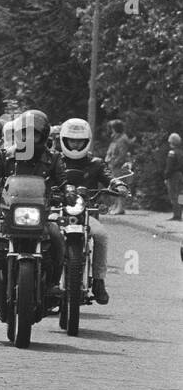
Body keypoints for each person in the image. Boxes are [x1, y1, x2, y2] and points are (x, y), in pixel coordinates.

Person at [0, 109, 65, 310]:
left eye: (34, 134)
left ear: (43, 136)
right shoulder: (4, 155)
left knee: (57, 237)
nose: (29, 138)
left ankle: (52, 285)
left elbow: (63, 180)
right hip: (8, 216)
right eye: (25, 133)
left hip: (41, 217)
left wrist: (68, 191)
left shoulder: (53, 158)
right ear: (18, 134)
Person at [55, 118, 112, 303]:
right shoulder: (55, 160)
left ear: (86, 141)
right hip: (56, 212)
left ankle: (98, 280)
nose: (75, 144)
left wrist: (117, 184)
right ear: (64, 140)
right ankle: (45, 279)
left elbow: (108, 177)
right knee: (45, 234)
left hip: (86, 213)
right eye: (72, 140)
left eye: (79, 141)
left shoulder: (95, 163)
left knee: (101, 235)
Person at [165, 133, 183, 221]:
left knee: (173, 195)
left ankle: (176, 214)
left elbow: (169, 166)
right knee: (180, 195)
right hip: (181, 175)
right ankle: (180, 213)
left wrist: (166, 176)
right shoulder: (181, 152)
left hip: (173, 176)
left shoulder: (172, 152)